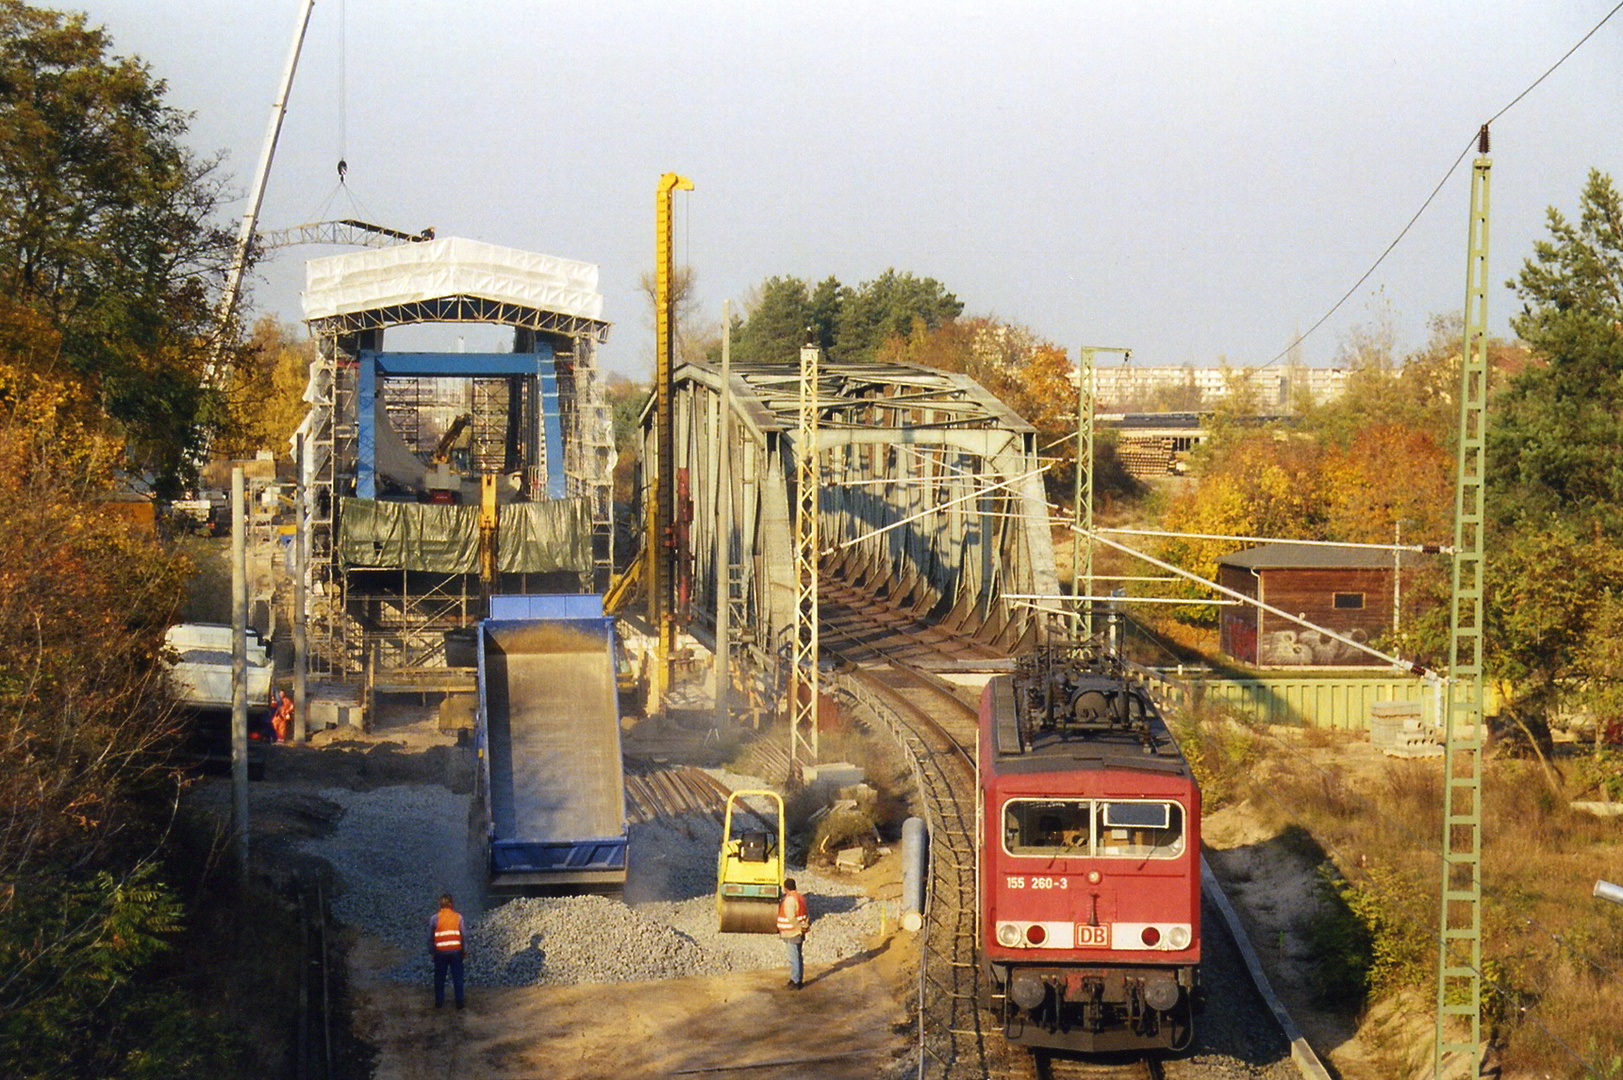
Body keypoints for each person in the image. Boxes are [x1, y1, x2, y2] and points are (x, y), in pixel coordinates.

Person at [428, 893, 467, 1009]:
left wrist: (432, 952)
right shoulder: (458, 917)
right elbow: (464, 935)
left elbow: (430, 937)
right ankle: (459, 1002)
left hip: (440, 952)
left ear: (440, 904)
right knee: (457, 977)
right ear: (451, 904)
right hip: (455, 952)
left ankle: (439, 1002)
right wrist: (465, 950)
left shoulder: (434, 918)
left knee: (439, 977)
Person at [776, 877, 810, 989]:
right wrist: (804, 926)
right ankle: (797, 978)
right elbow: (806, 914)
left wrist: (798, 926)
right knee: (798, 956)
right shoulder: (800, 897)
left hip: (792, 932)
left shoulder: (790, 899)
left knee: (793, 957)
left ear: (786, 888)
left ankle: (796, 981)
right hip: (799, 932)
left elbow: (790, 916)